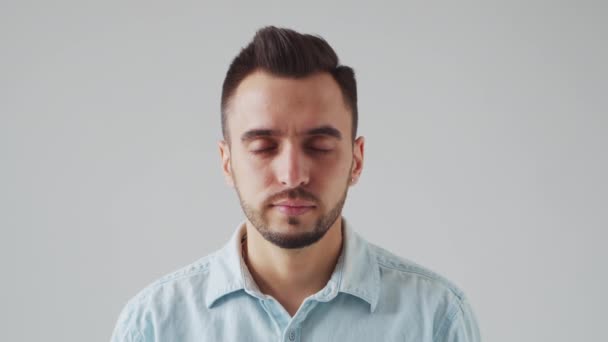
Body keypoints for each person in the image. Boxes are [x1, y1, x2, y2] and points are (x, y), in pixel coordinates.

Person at [111, 26, 481, 342]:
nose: (292, 173)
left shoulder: (436, 319)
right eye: (263, 147)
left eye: (319, 146)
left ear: (357, 160)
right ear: (227, 162)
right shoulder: (154, 325)